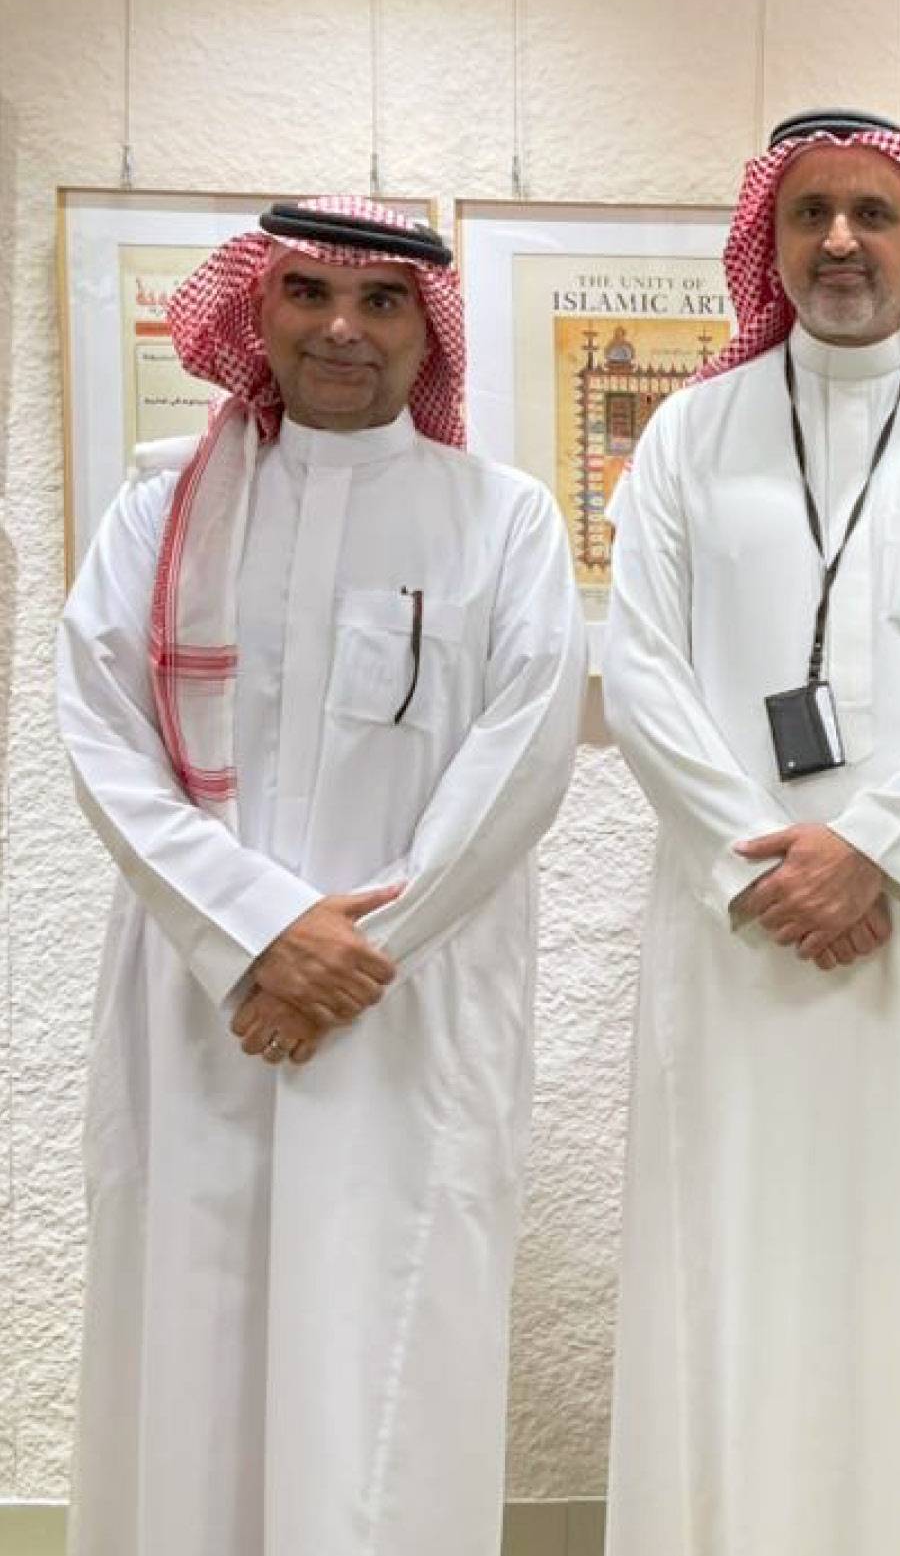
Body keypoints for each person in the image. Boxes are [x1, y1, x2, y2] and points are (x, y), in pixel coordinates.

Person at [57, 197, 585, 1556]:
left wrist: (354, 953)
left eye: (382, 301)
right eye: (308, 292)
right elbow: (103, 735)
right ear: (259, 308)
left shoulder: (501, 520)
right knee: (193, 1339)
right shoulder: (160, 507)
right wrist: (257, 932)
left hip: (405, 1006)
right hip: (202, 1002)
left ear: (427, 330)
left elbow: (520, 758)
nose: (343, 327)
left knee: (387, 1345)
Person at [600, 110, 900, 1553]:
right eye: (810, 214)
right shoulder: (691, 433)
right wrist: (767, 857)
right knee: (734, 1253)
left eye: (874, 212)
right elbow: (639, 669)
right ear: (771, 240)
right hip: (738, 932)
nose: (842, 241)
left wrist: (870, 848)